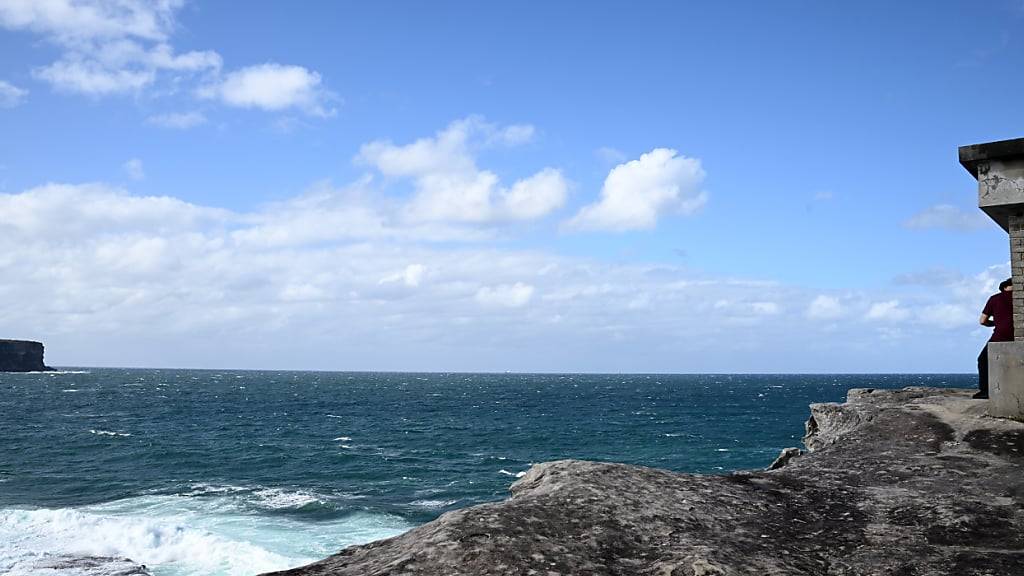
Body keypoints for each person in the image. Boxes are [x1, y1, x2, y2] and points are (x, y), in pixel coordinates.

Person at [977, 278, 1014, 399]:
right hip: (1017, 336)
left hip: (1000, 336)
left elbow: (982, 321)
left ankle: (985, 391)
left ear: (1004, 287)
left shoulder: (995, 298)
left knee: (983, 360)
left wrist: (996, 322)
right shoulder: (1019, 298)